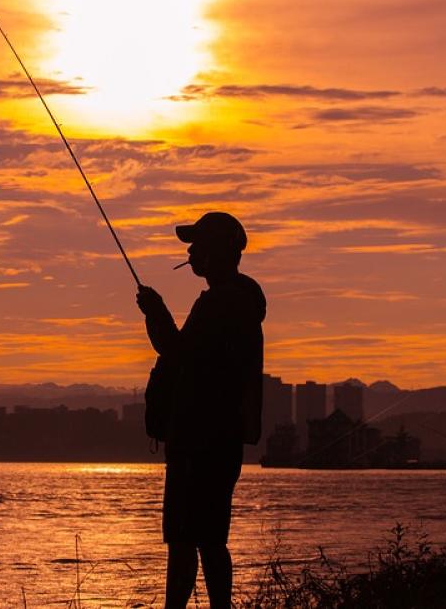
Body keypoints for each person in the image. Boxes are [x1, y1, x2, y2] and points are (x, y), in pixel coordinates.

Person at [135, 212, 266, 608]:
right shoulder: (237, 302)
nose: (190, 252)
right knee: (209, 540)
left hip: (199, 440)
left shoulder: (221, 304)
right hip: (217, 440)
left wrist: (155, 313)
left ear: (218, 253)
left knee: (184, 540)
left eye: (198, 245)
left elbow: (178, 355)